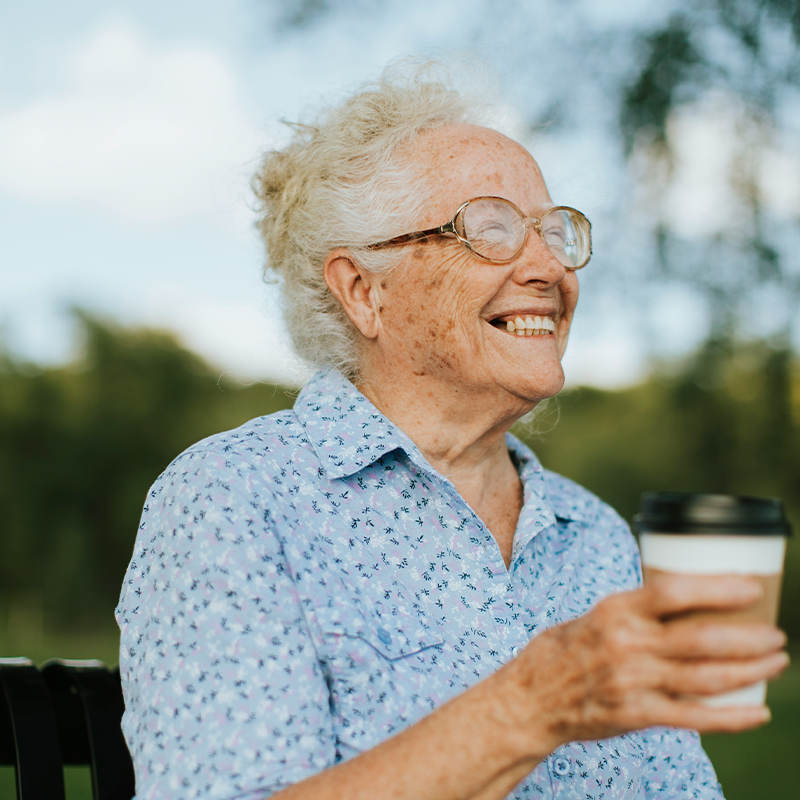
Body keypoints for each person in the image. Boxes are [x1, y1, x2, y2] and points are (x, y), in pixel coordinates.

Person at [116, 64, 788, 800]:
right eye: (491, 229)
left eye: (555, 232)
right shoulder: (236, 499)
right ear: (363, 291)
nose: (548, 267)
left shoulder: (591, 535)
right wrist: (534, 702)